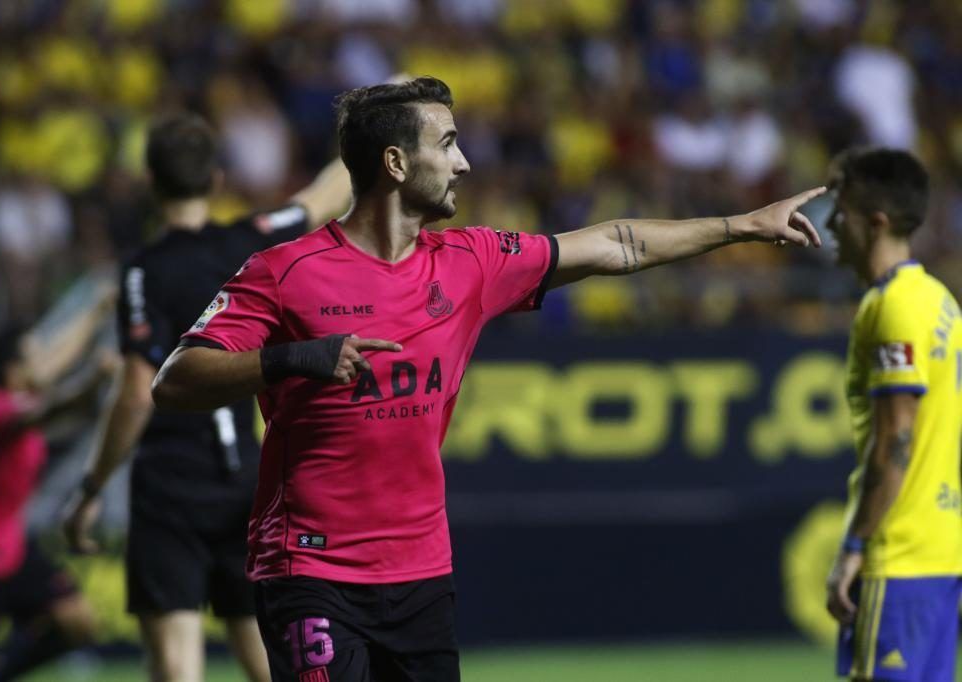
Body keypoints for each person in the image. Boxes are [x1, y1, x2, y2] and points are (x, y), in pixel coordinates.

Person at [150, 77, 824, 682]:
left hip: (421, 575)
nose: (464, 163)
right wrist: (294, 359)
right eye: (447, 144)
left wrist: (744, 225)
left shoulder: (472, 260)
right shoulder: (285, 271)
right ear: (395, 162)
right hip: (311, 571)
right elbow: (177, 379)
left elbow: (617, 244)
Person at [62, 112, 352, 682]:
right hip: (245, 483)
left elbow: (137, 394)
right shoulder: (253, 238)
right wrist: (384, 104)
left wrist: (92, 488)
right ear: (216, 179)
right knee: (269, 663)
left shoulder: (142, 272)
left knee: (177, 668)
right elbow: (325, 193)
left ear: (151, 184)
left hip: (170, 488)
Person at [822, 147, 962, 682]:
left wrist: (855, 546)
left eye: (843, 210)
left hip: (899, 554)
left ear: (876, 222)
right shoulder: (939, 300)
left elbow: (895, 440)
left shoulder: (895, 308)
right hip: (940, 551)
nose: (833, 224)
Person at [0, 296, 114, 682]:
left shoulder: (23, 398)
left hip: (12, 550)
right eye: (34, 355)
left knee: (77, 621)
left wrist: (95, 312)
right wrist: (92, 381)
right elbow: (51, 408)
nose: (43, 360)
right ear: (13, 368)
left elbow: (58, 372)